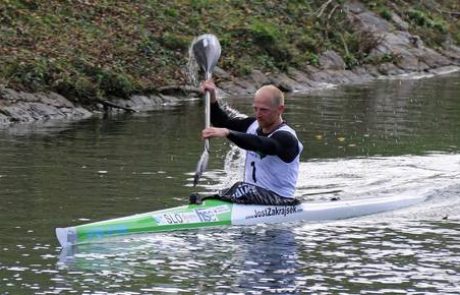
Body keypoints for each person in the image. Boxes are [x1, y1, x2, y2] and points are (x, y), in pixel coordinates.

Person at [191, 80, 303, 206]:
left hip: (281, 201)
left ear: (280, 109)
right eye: (256, 109)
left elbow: (262, 144)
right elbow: (222, 122)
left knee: (240, 188)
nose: (258, 114)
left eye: (264, 110)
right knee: (232, 190)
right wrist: (212, 97)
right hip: (251, 196)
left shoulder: (287, 138)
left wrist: (229, 133)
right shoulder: (252, 125)